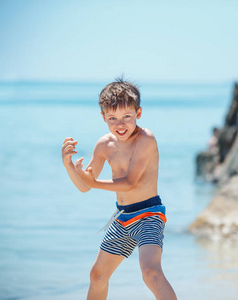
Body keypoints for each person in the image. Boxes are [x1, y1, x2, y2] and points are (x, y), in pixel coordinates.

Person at [61, 78, 177, 300]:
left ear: (138, 113)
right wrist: (68, 165)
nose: (120, 124)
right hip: (122, 217)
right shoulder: (104, 145)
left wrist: (93, 182)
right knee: (97, 275)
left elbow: (130, 182)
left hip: (149, 215)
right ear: (103, 116)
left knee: (150, 272)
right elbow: (85, 186)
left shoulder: (146, 139)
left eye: (127, 117)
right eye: (112, 118)